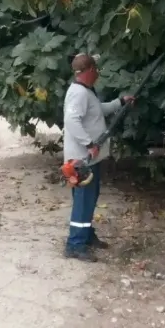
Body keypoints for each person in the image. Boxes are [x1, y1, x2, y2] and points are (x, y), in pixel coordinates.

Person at [63, 53, 134, 262]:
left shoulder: (86, 92)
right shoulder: (79, 94)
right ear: (89, 70)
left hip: (89, 158)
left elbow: (97, 111)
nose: (98, 73)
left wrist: (120, 102)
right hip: (81, 160)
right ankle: (74, 245)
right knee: (83, 201)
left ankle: (85, 236)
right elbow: (72, 120)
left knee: (90, 199)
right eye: (96, 69)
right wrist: (89, 143)